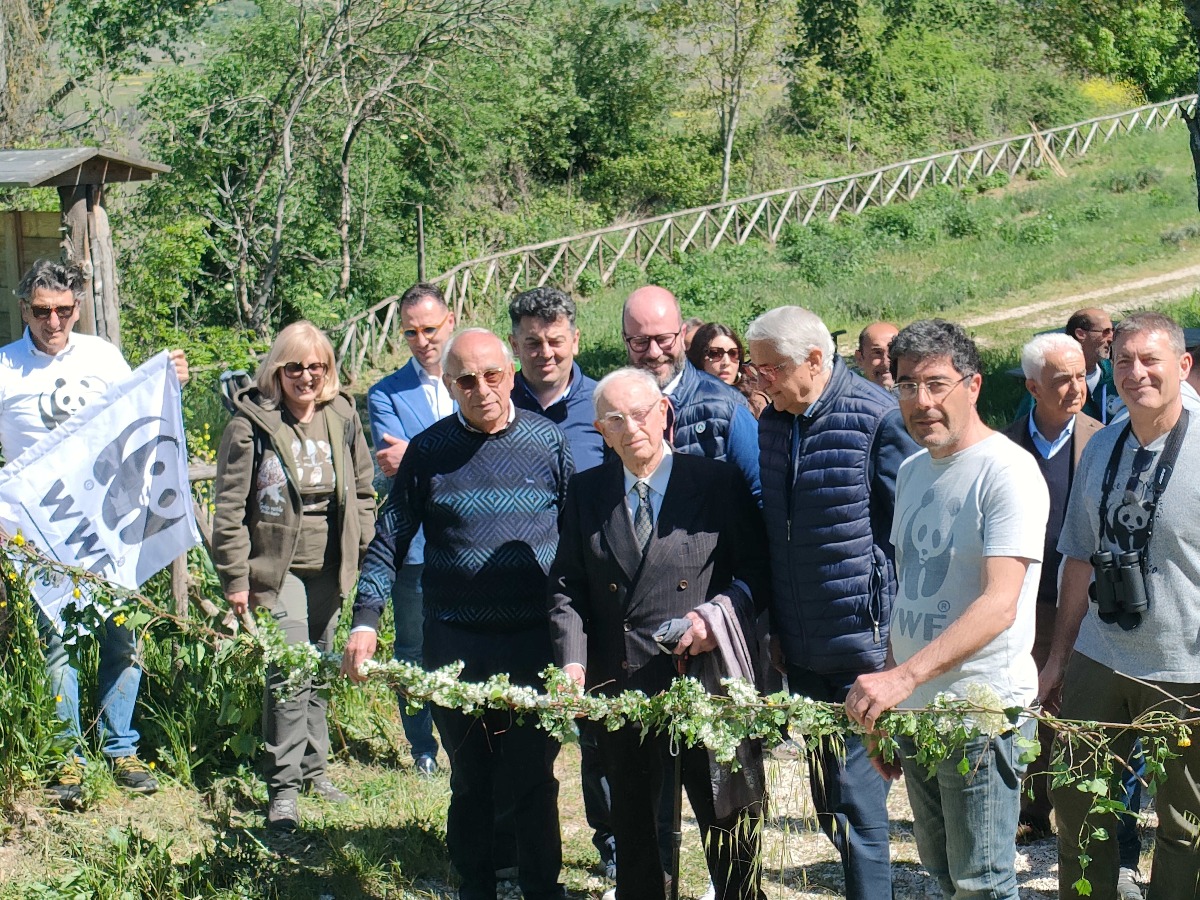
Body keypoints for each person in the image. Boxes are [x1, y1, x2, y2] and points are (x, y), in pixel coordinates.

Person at [343, 328, 572, 900]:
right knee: (472, 782)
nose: (482, 389)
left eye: (493, 375)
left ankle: (544, 888)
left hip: (533, 645)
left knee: (534, 782)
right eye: (466, 379)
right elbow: (388, 541)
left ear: (512, 375)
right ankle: (476, 887)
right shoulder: (429, 451)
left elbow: (579, 544)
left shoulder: (548, 443)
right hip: (456, 646)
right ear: (449, 385)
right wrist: (366, 617)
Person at [845, 319, 1049, 900]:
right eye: (907, 385)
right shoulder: (912, 472)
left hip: (980, 714)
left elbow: (999, 605)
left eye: (937, 384)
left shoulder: (1006, 471)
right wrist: (894, 699)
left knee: (983, 883)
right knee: (940, 875)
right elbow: (906, 590)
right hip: (918, 711)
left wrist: (902, 678)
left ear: (974, 384)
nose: (922, 401)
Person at [549, 367, 771, 900]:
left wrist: (715, 619)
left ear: (665, 415)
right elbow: (567, 586)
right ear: (601, 431)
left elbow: (757, 572)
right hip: (621, 686)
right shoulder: (586, 493)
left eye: (642, 413)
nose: (633, 428)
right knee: (638, 833)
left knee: (728, 820)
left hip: (705, 682)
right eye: (616, 420)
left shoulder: (715, 483)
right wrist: (572, 662)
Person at [0, 259, 189, 809]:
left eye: (62, 310)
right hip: (39, 533)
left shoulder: (105, 356)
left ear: (77, 307)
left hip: (110, 528)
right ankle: (66, 759)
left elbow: (144, 412)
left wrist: (169, 382)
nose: (52, 321)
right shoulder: (6, 368)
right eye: (40, 311)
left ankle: (121, 747)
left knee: (122, 638)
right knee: (55, 645)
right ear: (24, 310)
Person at [744, 306, 917, 900]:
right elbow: (774, 532)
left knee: (857, 803)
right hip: (801, 642)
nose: (758, 380)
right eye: (755, 368)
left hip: (862, 645)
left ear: (815, 360)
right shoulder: (774, 422)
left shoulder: (876, 419)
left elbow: (905, 540)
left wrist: (894, 643)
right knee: (827, 802)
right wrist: (773, 628)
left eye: (769, 368)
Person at [1041, 311, 1200, 899]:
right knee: (1079, 810)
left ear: (1182, 366)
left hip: (1186, 668)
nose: (1136, 373)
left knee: (1185, 827)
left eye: (1151, 359)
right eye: (1124, 360)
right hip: (1100, 655)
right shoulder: (1101, 443)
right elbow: (1078, 556)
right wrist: (1058, 658)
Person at [212, 321, 375, 830]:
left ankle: (315, 769)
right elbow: (230, 507)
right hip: (275, 568)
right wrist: (235, 577)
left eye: (316, 367)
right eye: (294, 367)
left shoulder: (343, 415)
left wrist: (365, 549)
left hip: (331, 564)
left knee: (322, 666)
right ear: (277, 370)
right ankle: (282, 786)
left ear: (328, 370)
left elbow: (364, 489)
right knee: (291, 671)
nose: (306, 377)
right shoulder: (251, 425)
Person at [507, 285, 612, 879]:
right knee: (520, 728)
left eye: (554, 341)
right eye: (531, 343)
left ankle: (614, 847)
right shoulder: (497, 403)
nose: (543, 353)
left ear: (573, 338)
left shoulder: (604, 402)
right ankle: (518, 853)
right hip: (520, 592)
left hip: (593, 592)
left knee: (599, 729)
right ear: (515, 345)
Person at [1002, 332, 1102, 846]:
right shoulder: (1004, 445)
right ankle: (1032, 810)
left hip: (1087, 600)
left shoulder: (1104, 439)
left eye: (1082, 375)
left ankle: (1088, 814)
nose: (1076, 388)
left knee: (1082, 704)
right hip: (1025, 600)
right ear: (1033, 387)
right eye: (1062, 379)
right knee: (1033, 701)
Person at [365, 283, 457, 775]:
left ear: (450, 320)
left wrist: (421, 452)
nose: (423, 340)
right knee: (412, 650)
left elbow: (415, 459)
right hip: (416, 544)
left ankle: (471, 732)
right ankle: (422, 747)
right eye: (411, 333)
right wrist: (459, 453)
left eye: (430, 329)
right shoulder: (385, 394)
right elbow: (393, 466)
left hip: (473, 541)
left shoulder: (478, 377)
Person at [622, 287, 760, 497]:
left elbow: (761, 494)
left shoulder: (726, 407)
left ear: (682, 334)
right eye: (641, 342)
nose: (654, 352)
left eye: (663, 339)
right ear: (625, 340)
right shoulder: (613, 409)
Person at [686, 322, 769, 417]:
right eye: (715, 353)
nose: (726, 362)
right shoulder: (682, 402)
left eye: (733, 353)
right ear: (698, 358)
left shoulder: (756, 403)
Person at [1067, 308, 1122, 423]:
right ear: (1081, 334)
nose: (1112, 338)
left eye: (1113, 331)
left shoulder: (1116, 374)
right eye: (1105, 332)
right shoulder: (1053, 381)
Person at [853, 321, 899, 389]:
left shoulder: (918, 395)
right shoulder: (850, 396)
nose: (886, 363)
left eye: (893, 352)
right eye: (877, 353)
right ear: (860, 359)